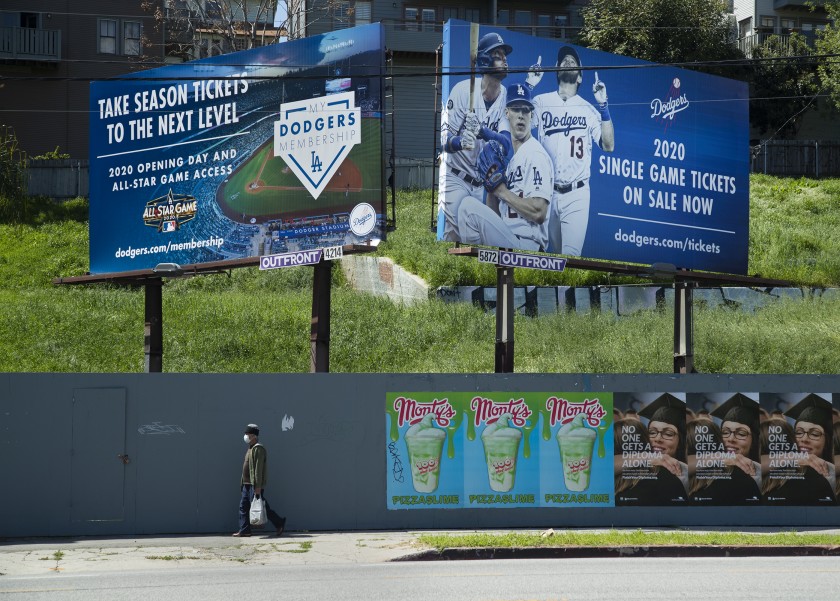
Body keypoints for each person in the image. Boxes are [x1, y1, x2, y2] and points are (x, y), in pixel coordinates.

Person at [528, 46, 615, 256]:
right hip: (546, 193)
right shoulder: (540, 102)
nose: (568, 61)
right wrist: (528, 86)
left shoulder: (588, 110)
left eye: (573, 60)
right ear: (557, 70)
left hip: (577, 193)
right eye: (563, 60)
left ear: (580, 78)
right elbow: (514, 123)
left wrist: (604, 106)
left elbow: (608, 145)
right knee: (548, 257)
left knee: (570, 258)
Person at [457, 83, 554, 251]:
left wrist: (502, 192)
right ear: (507, 113)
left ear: (532, 115)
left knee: (467, 207)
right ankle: (483, 263)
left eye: (526, 110)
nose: (521, 115)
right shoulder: (512, 161)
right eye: (516, 109)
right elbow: (496, 217)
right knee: (470, 211)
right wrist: (492, 190)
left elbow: (539, 212)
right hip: (508, 239)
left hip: (527, 244)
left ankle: (477, 264)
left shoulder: (535, 154)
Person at [437, 32, 511, 242]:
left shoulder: (505, 96)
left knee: (455, 240)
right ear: (485, 60)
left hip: (481, 185)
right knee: (468, 235)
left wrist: (483, 132)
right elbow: (443, 142)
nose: (505, 59)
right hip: (455, 177)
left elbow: (506, 145)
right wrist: (460, 142)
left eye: (505, 54)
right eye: (498, 54)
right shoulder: (462, 91)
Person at [614, 417, 686, 506]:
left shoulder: (602, 480)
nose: (658, 439)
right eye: (652, 433)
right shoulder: (669, 480)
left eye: (668, 434)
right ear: (646, 439)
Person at [234, 423, 286, 537]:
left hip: (254, 485)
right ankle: (245, 530)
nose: (245, 436)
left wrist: (257, 487)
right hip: (246, 484)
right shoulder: (250, 448)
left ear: (253, 435)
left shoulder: (259, 449)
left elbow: (258, 469)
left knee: (262, 508)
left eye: (247, 434)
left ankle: (279, 523)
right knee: (243, 507)